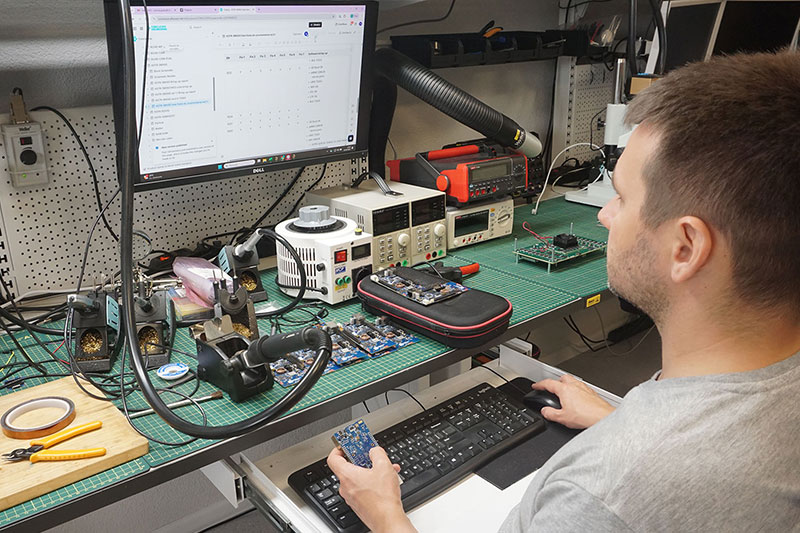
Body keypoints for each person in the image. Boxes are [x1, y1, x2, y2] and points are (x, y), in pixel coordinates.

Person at [327, 50, 800, 532]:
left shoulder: (601, 492)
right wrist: (617, 419)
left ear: (686, 247)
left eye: (621, 196)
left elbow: (638, 485)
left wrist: (385, 514)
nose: (603, 215)